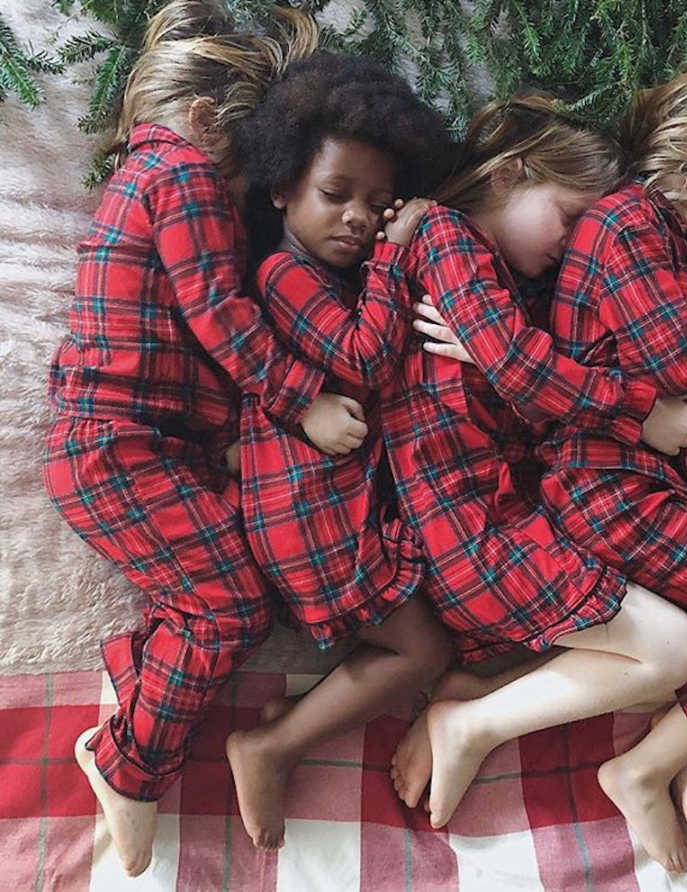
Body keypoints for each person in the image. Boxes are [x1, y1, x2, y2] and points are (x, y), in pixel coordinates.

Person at [408, 62, 687, 872]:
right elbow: (686, 369)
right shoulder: (626, 225)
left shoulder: (676, 260)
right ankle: (645, 767)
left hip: (655, 476)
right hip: (606, 488)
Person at [379, 94, 687, 868]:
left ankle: (472, 699)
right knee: (674, 653)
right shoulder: (445, 233)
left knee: (683, 657)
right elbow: (518, 367)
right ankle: (473, 722)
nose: (577, 246)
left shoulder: (517, 283)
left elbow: (524, 374)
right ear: (509, 174)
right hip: (472, 534)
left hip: (513, 522)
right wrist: (636, 414)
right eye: (570, 218)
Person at [41, 0, 321, 877]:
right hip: (115, 443)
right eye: (248, 179)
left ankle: (137, 670)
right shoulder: (181, 175)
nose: (244, 205)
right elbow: (219, 316)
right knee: (231, 605)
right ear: (205, 122)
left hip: (136, 441)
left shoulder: (151, 177)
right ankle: (127, 767)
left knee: (237, 587)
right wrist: (297, 397)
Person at [220, 50, 463, 852]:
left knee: (424, 638)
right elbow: (362, 358)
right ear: (282, 186)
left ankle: (290, 724)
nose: (359, 218)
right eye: (336, 196)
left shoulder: (337, 275)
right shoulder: (282, 277)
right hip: (310, 513)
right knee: (423, 650)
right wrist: (399, 250)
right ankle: (271, 746)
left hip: (336, 504)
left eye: (378, 204)